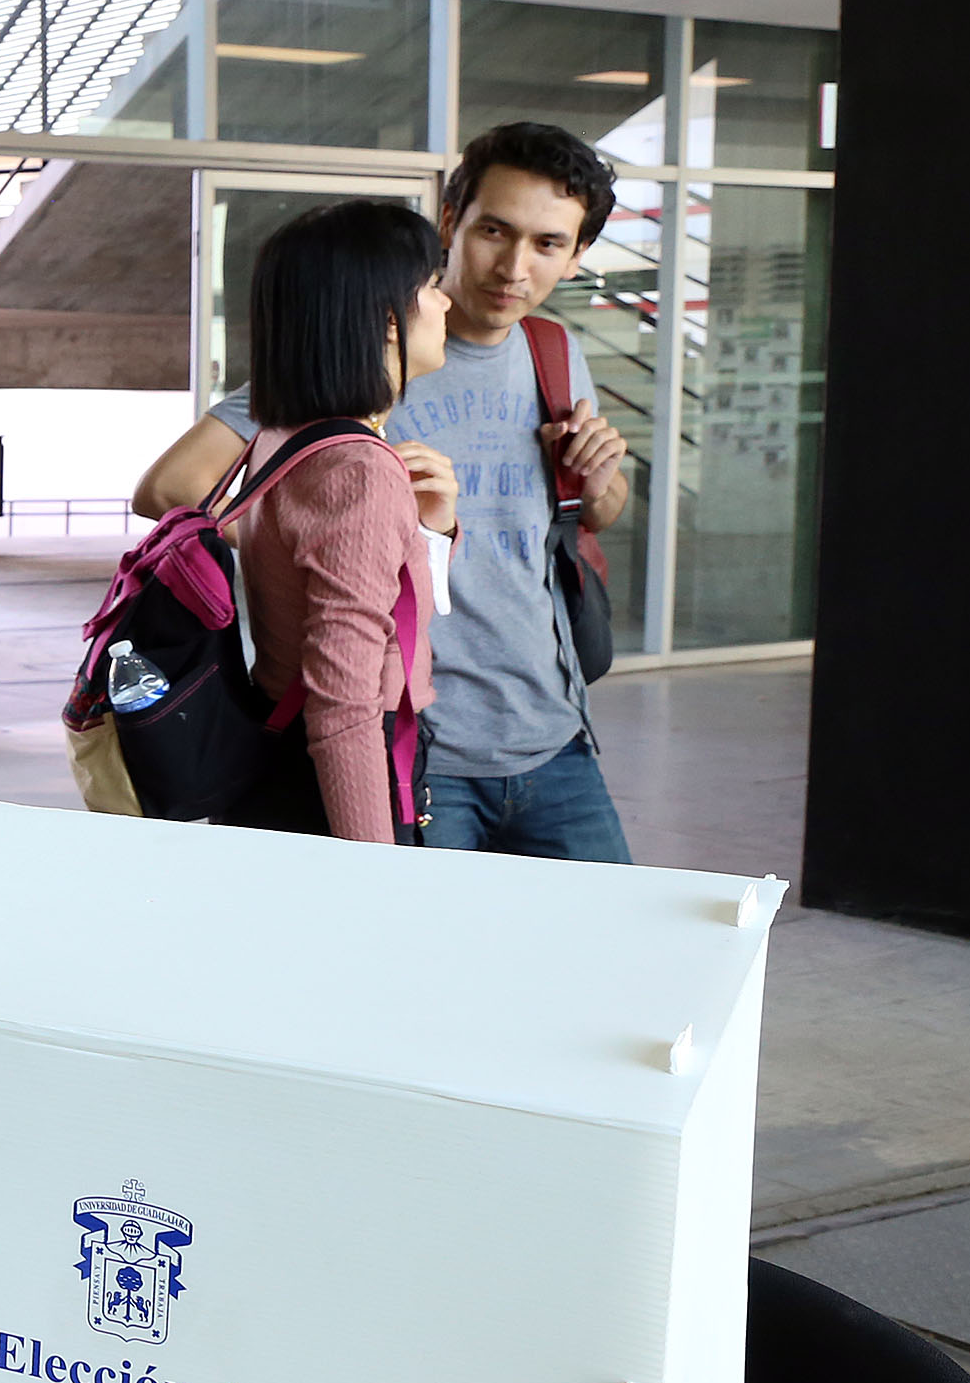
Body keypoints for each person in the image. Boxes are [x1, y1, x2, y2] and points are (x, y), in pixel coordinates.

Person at [129, 124, 635, 861]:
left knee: (604, 962)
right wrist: (328, 540)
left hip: (552, 733)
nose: (513, 267)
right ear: (449, 222)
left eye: (547, 244)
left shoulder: (553, 353)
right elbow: (169, 489)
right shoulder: (351, 361)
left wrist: (597, 480)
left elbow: (590, 518)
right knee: (427, 968)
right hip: (420, 745)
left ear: (576, 253)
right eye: (493, 230)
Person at [225, 201, 457, 844]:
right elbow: (345, 698)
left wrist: (429, 531)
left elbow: (400, 616)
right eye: (431, 288)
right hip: (342, 768)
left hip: (282, 737)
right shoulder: (358, 470)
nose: (445, 304)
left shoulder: (284, 437)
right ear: (387, 320)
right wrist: (372, 869)